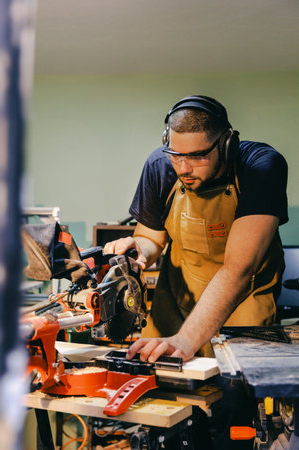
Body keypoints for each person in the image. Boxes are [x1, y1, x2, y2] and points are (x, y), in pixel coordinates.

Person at [104, 96, 288, 449]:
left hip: (242, 307)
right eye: (176, 154)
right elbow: (151, 238)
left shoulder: (260, 165)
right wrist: (139, 250)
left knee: (234, 410)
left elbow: (239, 268)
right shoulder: (161, 165)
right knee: (166, 413)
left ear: (227, 143)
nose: (183, 168)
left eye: (198, 156)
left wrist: (186, 341)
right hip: (179, 300)